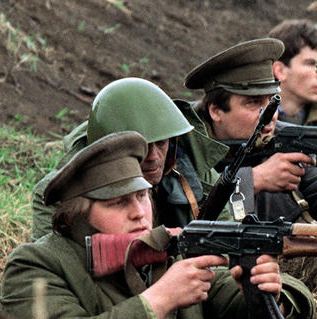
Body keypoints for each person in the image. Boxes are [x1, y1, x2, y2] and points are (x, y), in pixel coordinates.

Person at [0, 132, 317, 319]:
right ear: (78, 215)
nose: (139, 212)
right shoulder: (36, 264)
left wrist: (267, 294)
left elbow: (236, 316)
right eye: (118, 203)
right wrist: (158, 301)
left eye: (141, 197)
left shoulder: (164, 252)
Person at [187, 36, 317, 222]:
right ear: (215, 111)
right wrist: (252, 181)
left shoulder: (283, 137)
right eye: (252, 103)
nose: (269, 115)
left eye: (272, 102)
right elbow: (186, 219)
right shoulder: (182, 149)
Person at [30, 77, 228, 239]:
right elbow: (54, 267)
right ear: (109, 148)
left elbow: (227, 235)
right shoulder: (59, 195)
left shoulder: (192, 171)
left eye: (161, 143)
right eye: (140, 148)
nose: (153, 157)